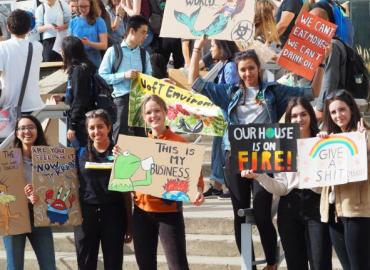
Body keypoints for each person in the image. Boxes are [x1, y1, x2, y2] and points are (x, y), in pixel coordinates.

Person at [189, 43, 328, 270]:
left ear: (259, 68)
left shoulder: (274, 91)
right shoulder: (229, 93)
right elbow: (195, 82)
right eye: (243, 69)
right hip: (235, 156)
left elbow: (312, 92)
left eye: (251, 68)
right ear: (238, 71)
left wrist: (320, 63)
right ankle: (249, 265)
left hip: (265, 156)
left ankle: (271, 262)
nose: (247, 74)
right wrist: (196, 50)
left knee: (263, 213)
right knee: (240, 213)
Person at [113, 94, 204, 270]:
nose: (153, 115)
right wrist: (121, 158)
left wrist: (198, 190)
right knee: (145, 265)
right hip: (141, 213)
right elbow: (126, 177)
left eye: (157, 111)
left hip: (169, 214)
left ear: (166, 112)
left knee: (177, 265)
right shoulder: (137, 145)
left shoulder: (180, 143)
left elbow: (196, 178)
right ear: (144, 117)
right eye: (148, 112)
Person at [241, 97, 332, 270]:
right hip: (289, 207)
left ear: (311, 116)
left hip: (317, 206)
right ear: (288, 120)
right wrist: (259, 176)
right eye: (294, 116)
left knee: (320, 263)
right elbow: (282, 188)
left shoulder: (323, 142)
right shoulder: (282, 147)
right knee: (295, 264)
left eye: (303, 114)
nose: (299, 119)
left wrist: (326, 142)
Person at [74, 109, 132, 270]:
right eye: (92, 128)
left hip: (114, 215)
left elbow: (126, 192)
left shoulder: (121, 154)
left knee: (113, 264)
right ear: (87, 130)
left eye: (100, 126)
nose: (96, 131)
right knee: (85, 264)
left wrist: (129, 224)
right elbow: (70, 185)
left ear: (109, 127)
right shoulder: (79, 154)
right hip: (85, 217)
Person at [320, 89, 370, 270]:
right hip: (333, 212)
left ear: (351, 109)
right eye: (333, 112)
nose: (338, 115)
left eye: (342, 110)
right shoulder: (328, 139)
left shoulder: (365, 135)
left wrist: (365, 145)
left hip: (357, 212)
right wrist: (322, 144)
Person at [3, 115, 56, 270]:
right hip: (14, 217)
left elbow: (59, 189)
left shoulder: (50, 158)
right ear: (17, 133)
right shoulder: (6, 160)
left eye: (31, 127)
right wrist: (22, 194)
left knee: (48, 266)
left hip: (40, 216)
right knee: (14, 266)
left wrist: (42, 192)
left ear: (38, 130)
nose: (27, 131)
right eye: (22, 128)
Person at [189, 39, 240, 198]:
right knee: (218, 150)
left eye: (212, 46)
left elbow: (230, 93)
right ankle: (217, 185)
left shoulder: (230, 66)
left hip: (228, 116)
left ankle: (231, 186)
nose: (210, 50)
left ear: (222, 47)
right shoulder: (224, 64)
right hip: (221, 115)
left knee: (226, 149)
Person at [99, 15, 152, 142]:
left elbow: (149, 77)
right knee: (120, 135)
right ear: (132, 31)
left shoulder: (144, 54)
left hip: (140, 99)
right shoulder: (113, 51)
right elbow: (102, 76)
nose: (146, 36)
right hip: (121, 99)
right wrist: (124, 75)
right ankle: (119, 161)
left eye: (146, 33)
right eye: (143, 32)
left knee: (142, 136)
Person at [0, 10, 44, 114]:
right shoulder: (37, 47)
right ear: (29, 28)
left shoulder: (2, 47)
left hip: (9, 106)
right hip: (34, 105)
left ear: (8, 28)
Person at [56, 36, 96, 148]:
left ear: (68, 52)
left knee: (79, 154)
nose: (61, 52)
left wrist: (72, 126)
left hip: (80, 123)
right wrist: (63, 98)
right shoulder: (78, 69)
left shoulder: (79, 71)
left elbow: (80, 100)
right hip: (81, 119)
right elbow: (78, 95)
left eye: (62, 49)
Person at [68, 0, 108, 68]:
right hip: (77, 62)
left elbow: (104, 45)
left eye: (86, 6)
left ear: (91, 6)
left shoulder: (99, 21)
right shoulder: (73, 21)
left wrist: (89, 43)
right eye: (81, 6)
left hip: (93, 61)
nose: (83, 9)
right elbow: (69, 43)